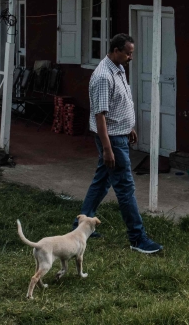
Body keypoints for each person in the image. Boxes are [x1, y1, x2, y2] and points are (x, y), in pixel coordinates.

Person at [76, 33, 163, 254]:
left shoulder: (118, 69)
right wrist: (107, 148)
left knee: (102, 181)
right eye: (128, 53)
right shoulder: (104, 76)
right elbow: (100, 116)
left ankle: (81, 225)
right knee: (125, 188)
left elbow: (118, 104)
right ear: (116, 50)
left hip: (119, 134)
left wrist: (128, 128)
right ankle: (137, 239)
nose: (130, 57)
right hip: (112, 139)